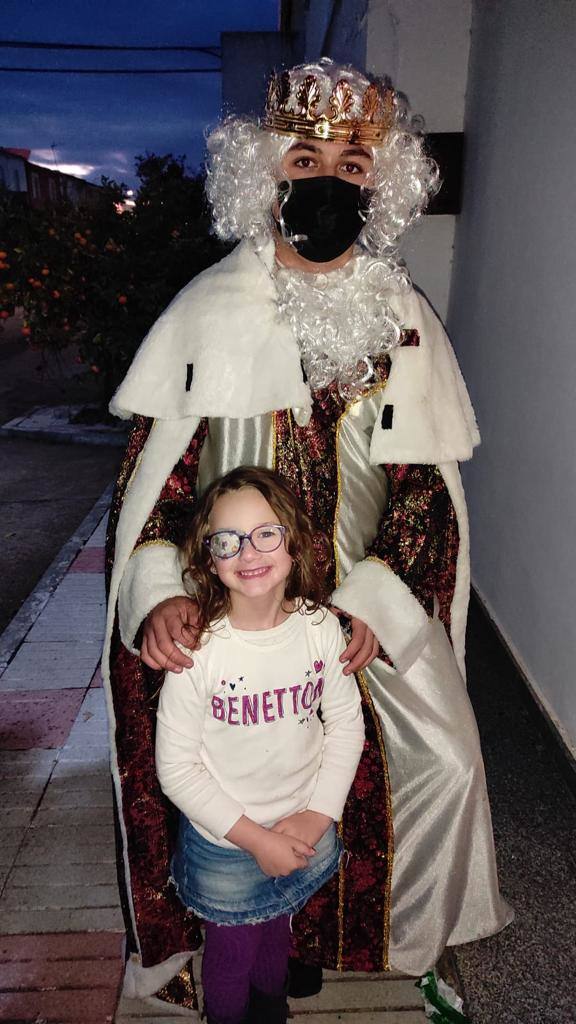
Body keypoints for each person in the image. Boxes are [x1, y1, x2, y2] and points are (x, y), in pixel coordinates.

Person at [104, 57, 512, 1011]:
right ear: (267, 173)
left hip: (359, 605)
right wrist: (162, 588)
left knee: (439, 763)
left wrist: (375, 606)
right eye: (305, 157)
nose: (329, 181)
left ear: (384, 185)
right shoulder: (207, 311)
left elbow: (421, 492)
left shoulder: (402, 319)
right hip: (232, 603)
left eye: (355, 166)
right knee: (224, 757)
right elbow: (155, 485)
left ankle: (375, 931)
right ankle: (243, 932)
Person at [155, 466, 365, 1024]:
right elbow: (176, 769)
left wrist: (317, 816)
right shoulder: (198, 651)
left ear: (294, 541)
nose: (248, 551)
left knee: (278, 927)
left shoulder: (320, 629)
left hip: (301, 824)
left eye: (265, 532)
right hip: (226, 840)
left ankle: (272, 1011)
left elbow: (345, 724)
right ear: (209, 558)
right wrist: (255, 840)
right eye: (227, 540)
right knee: (232, 954)